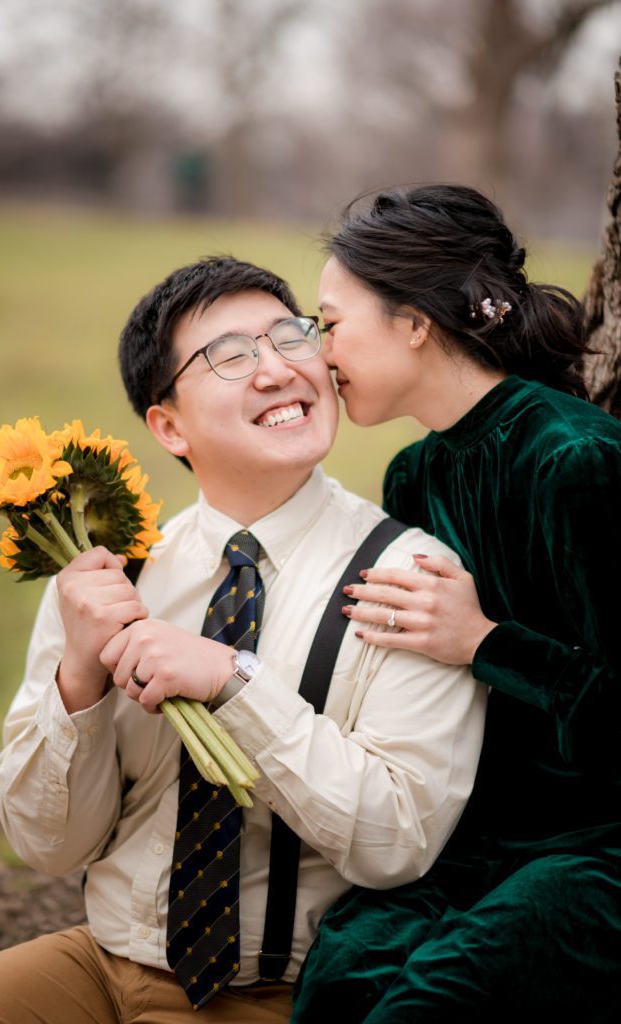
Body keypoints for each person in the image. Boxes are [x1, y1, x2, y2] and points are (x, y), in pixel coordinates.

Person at [0, 256, 486, 1022]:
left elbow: (396, 840)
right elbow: (48, 848)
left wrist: (234, 681)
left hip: (278, 992)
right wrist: (79, 681)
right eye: (229, 355)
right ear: (167, 425)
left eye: (290, 337)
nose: (275, 369)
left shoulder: (408, 576)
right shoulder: (110, 582)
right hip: (96, 964)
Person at [291, 184, 621, 1023]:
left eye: (329, 323)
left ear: (413, 322)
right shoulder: (415, 476)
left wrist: (483, 642)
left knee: (433, 1002)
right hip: (471, 839)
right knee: (340, 984)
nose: (318, 351)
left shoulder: (577, 461)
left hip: (597, 845)